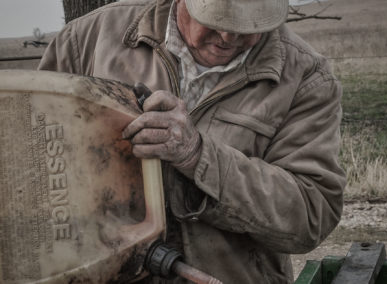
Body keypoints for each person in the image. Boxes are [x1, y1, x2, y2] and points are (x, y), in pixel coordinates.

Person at [38, 0, 346, 283]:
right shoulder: (89, 40)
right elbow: (30, 156)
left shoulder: (306, 77)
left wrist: (198, 157)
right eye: (215, 18)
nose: (228, 36)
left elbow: (310, 215)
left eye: (248, 26)